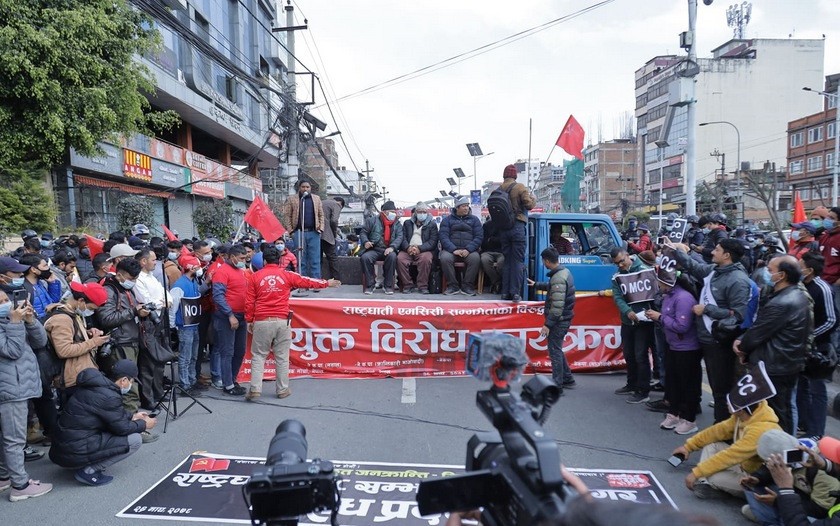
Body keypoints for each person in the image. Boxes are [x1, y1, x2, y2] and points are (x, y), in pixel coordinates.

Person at [671, 239, 754, 423]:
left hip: (718, 340)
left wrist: (707, 309)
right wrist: (676, 251)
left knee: (720, 388)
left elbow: (738, 314)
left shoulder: (738, 280)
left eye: (717, 250)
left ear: (727, 255)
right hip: (704, 337)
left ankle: (722, 430)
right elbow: (695, 268)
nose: (712, 252)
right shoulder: (714, 271)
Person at [245, 247, 340, 401]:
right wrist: (326, 283)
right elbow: (307, 281)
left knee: (258, 356)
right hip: (283, 321)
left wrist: (249, 320)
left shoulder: (255, 277)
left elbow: (249, 302)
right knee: (282, 357)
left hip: (262, 321)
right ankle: (282, 390)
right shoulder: (287, 274)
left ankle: (255, 389)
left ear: (264, 261)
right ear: (280, 260)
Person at [734, 255, 813, 435]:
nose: (767, 273)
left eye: (770, 270)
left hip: (775, 366)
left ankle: (779, 454)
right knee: (778, 409)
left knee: (775, 414)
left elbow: (757, 334)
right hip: (783, 363)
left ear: (782, 275)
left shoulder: (782, 302)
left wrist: (742, 347)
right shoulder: (795, 295)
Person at [49, 360, 156, 486]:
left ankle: (80, 462)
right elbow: (122, 428)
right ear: (124, 380)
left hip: (63, 449)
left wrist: (132, 416)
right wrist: (144, 425)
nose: (131, 385)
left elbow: (109, 414)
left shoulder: (96, 386)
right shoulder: (109, 396)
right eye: (131, 382)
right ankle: (88, 471)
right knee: (135, 440)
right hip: (74, 450)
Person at [671, 387, 782, 501]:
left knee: (714, 476)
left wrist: (697, 473)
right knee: (712, 446)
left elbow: (731, 455)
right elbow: (717, 431)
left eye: (730, 402)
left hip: (756, 478)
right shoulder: (746, 414)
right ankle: (709, 483)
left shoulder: (760, 430)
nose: (726, 403)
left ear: (740, 410)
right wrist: (688, 447)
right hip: (745, 465)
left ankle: (718, 486)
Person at [0, 290, 53, 501]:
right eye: (1, 301)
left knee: (8, 437)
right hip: (10, 388)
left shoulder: (11, 319)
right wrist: (14, 323)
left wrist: (30, 320)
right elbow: (11, 351)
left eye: (6, 300)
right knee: (14, 439)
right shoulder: (10, 322)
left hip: (20, 384)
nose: (6, 304)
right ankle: (20, 486)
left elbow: (40, 342)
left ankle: (4, 476)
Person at [645, 267, 702, 435]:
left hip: (687, 349)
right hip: (673, 346)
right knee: (673, 383)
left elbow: (682, 326)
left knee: (688, 385)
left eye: (659, 281)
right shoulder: (669, 296)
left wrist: (660, 318)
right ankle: (674, 413)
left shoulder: (683, 298)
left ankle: (689, 419)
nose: (657, 284)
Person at [740, 431, 840, 524]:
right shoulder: (799, 447)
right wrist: (758, 478)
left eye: (833, 458)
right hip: (803, 496)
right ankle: (765, 513)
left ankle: (767, 517)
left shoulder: (825, 478)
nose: (826, 456)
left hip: (818, 512)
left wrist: (780, 499)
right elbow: (770, 466)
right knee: (756, 486)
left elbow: (819, 511)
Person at [96, 258, 152, 419]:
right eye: (131, 279)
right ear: (119, 275)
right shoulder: (109, 290)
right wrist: (134, 312)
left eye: (135, 279)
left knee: (131, 383)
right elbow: (106, 319)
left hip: (131, 340)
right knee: (127, 386)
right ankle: (132, 425)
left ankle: (131, 423)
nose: (133, 282)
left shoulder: (126, 289)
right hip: (119, 343)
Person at [797, 253, 838, 439]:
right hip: (801, 347)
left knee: (817, 391)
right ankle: (803, 424)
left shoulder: (823, 288)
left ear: (810, 270)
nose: (797, 266)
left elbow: (831, 320)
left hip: (818, 349)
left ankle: (816, 432)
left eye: (800, 264)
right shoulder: (800, 286)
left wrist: (810, 338)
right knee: (801, 388)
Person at [43, 282, 110, 396]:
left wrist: (87, 333)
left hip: (79, 374)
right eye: (91, 308)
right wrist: (93, 342)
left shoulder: (72, 313)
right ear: (81, 301)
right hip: (70, 379)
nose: (91, 312)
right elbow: (64, 350)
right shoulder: (62, 319)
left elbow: (72, 336)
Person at [610, 247, 655, 404]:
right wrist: (627, 311)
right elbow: (617, 297)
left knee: (640, 355)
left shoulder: (645, 271)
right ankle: (632, 384)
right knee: (629, 354)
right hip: (627, 320)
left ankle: (643, 390)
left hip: (644, 321)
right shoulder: (617, 276)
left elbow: (653, 295)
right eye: (617, 263)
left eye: (622, 261)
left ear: (628, 256)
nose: (620, 265)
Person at [529, 247, 576, 392]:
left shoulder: (558, 278)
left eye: (544, 261)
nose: (543, 264)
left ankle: (557, 385)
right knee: (557, 349)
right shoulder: (564, 272)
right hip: (563, 318)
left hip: (559, 320)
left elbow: (557, 306)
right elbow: (554, 289)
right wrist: (537, 284)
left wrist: (547, 325)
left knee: (554, 351)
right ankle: (567, 378)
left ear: (547, 261)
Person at [496, 164, 536, 303]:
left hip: (503, 229)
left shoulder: (498, 189)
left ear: (504, 175)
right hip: (517, 227)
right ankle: (515, 293)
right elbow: (529, 205)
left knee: (507, 260)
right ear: (515, 175)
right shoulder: (520, 187)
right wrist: (533, 198)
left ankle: (505, 293)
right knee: (518, 261)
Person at [212, 244, 249, 396]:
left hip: (242, 315)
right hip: (228, 317)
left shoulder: (241, 271)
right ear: (232, 257)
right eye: (241, 258)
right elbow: (218, 296)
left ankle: (233, 379)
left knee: (240, 351)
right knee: (227, 351)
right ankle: (228, 384)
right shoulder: (222, 272)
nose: (243, 261)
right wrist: (230, 315)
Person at [169, 255, 204, 396]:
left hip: (194, 324)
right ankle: (185, 384)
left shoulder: (194, 281)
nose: (200, 269)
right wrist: (173, 325)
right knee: (185, 356)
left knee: (193, 355)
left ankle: (192, 380)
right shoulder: (179, 286)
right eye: (197, 266)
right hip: (185, 326)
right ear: (190, 268)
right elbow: (173, 307)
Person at [439, 196, 483, 296]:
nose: (466, 208)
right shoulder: (447, 220)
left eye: (467, 206)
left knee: (475, 258)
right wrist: (453, 249)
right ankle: (452, 286)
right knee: (445, 258)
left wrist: (468, 249)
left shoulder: (475, 220)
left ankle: (467, 286)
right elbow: (443, 237)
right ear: (457, 208)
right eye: (464, 206)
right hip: (452, 251)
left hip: (469, 251)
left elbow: (479, 237)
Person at [282, 180, 325, 279]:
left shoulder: (316, 199)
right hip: (299, 233)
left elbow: (321, 214)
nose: (305, 189)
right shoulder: (292, 199)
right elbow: (287, 216)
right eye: (303, 187)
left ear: (310, 188)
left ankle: (316, 282)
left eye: (307, 187)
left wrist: (321, 229)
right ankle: (303, 282)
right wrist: (291, 231)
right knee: (301, 259)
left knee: (315, 259)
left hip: (314, 232)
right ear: (299, 188)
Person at [360, 200, 404, 295]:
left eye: (393, 212)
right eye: (390, 212)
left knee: (392, 257)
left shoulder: (397, 224)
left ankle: (388, 285)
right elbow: (363, 232)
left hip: (389, 249)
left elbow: (399, 237)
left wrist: (392, 247)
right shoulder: (372, 221)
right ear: (383, 212)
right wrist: (366, 242)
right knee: (365, 258)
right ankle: (370, 285)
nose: (392, 214)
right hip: (374, 248)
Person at [397, 202, 439, 294]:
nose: (422, 214)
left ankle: (422, 286)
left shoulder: (432, 224)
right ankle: (407, 285)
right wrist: (408, 248)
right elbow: (402, 238)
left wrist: (419, 248)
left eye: (424, 212)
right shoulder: (407, 223)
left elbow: (433, 241)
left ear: (427, 212)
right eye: (420, 212)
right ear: (416, 212)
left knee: (426, 259)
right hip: (408, 249)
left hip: (424, 250)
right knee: (399, 259)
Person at [18, 254, 62, 320]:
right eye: (45, 265)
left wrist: (52, 283)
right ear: (33, 269)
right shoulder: (23, 289)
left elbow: (53, 301)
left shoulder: (40, 283)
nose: (48, 268)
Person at [320, 196, 344, 281]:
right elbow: (334, 220)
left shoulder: (321, 202)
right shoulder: (336, 205)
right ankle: (336, 279)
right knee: (332, 257)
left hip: (315, 234)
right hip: (327, 234)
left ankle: (317, 279)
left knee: (317, 258)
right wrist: (334, 233)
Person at [480, 218, 504, 294]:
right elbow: (483, 242)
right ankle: (497, 282)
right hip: (488, 251)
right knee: (484, 260)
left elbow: (504, 241)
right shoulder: (486, 225)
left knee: (502, 263)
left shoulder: (505, 225)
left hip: (502, 252)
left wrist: (492, 240)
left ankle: (498, 283)